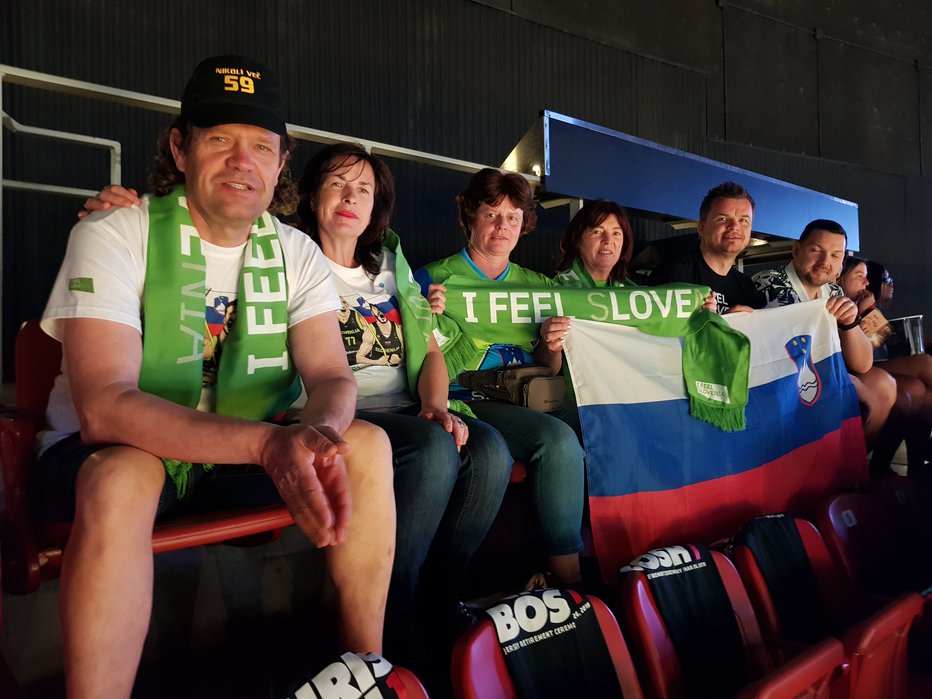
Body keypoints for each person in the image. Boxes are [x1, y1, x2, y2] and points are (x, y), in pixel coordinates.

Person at [40, 56, 394, 698]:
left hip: (238, 457)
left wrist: (313, 438)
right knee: (125, 473)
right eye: (220, 139)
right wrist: (269, 445)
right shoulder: (117, 232)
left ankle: (364, 673)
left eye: (261, 145)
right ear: (180, 147)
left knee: (366, 442)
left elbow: (331, 378)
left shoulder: (295, 250)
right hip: (112, 457)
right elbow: (105, 408)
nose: (242, 161)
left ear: (282, 163)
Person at [293, 143, 511, 662]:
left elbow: (432, 350)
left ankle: (440, 598)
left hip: (404, 410)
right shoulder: (289, 256)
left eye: (363, 190)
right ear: (312, 194)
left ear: (376, 207)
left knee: (489, 451)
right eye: (337, 184)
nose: (351, 198)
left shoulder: (390, 263)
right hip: (335, 414)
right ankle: (395, 612)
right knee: (432, 451)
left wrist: (437, 406)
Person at [414, 168, 586, 588]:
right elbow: (419, 358)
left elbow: (550, 371)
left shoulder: (536, 285)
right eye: (492, 214)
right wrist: (425, 312)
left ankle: (609, 543)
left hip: (527, 394)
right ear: (470, 217)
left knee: (599, 420)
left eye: (512, 217)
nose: (502, 226)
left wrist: (552, 343)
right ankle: (571, 582)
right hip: (469, 398)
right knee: (558, 441)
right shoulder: (433, 280)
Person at [752, 219, 895, 450]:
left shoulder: (834, 290)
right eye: (816, 251)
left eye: (835, 255)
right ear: (797, 250)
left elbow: (864, 363)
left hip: (820, 377)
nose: (824, 262)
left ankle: (856, 468)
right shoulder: (768, 285)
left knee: (883, 383)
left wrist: (849, 322)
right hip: (782, 385)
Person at [839, 257, 932, 474]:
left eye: (867, 278)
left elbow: (882, 339)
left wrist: (866, 310)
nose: (866, 283)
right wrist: (862, 312)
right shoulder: (839, 304)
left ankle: (915, 465)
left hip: (875, 364)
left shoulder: (864, 305)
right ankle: (899, 463)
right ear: (841, 278)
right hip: (860, 368)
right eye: (859, 277)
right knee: (924, 368)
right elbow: (868, 350)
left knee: (922, 380)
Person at [648, 181, 766, 314]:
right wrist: (725, 324)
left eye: (743, 220)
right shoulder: (675, 273)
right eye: (723, 219)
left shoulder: (747, 287)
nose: (734, 227)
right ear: (702, 227)